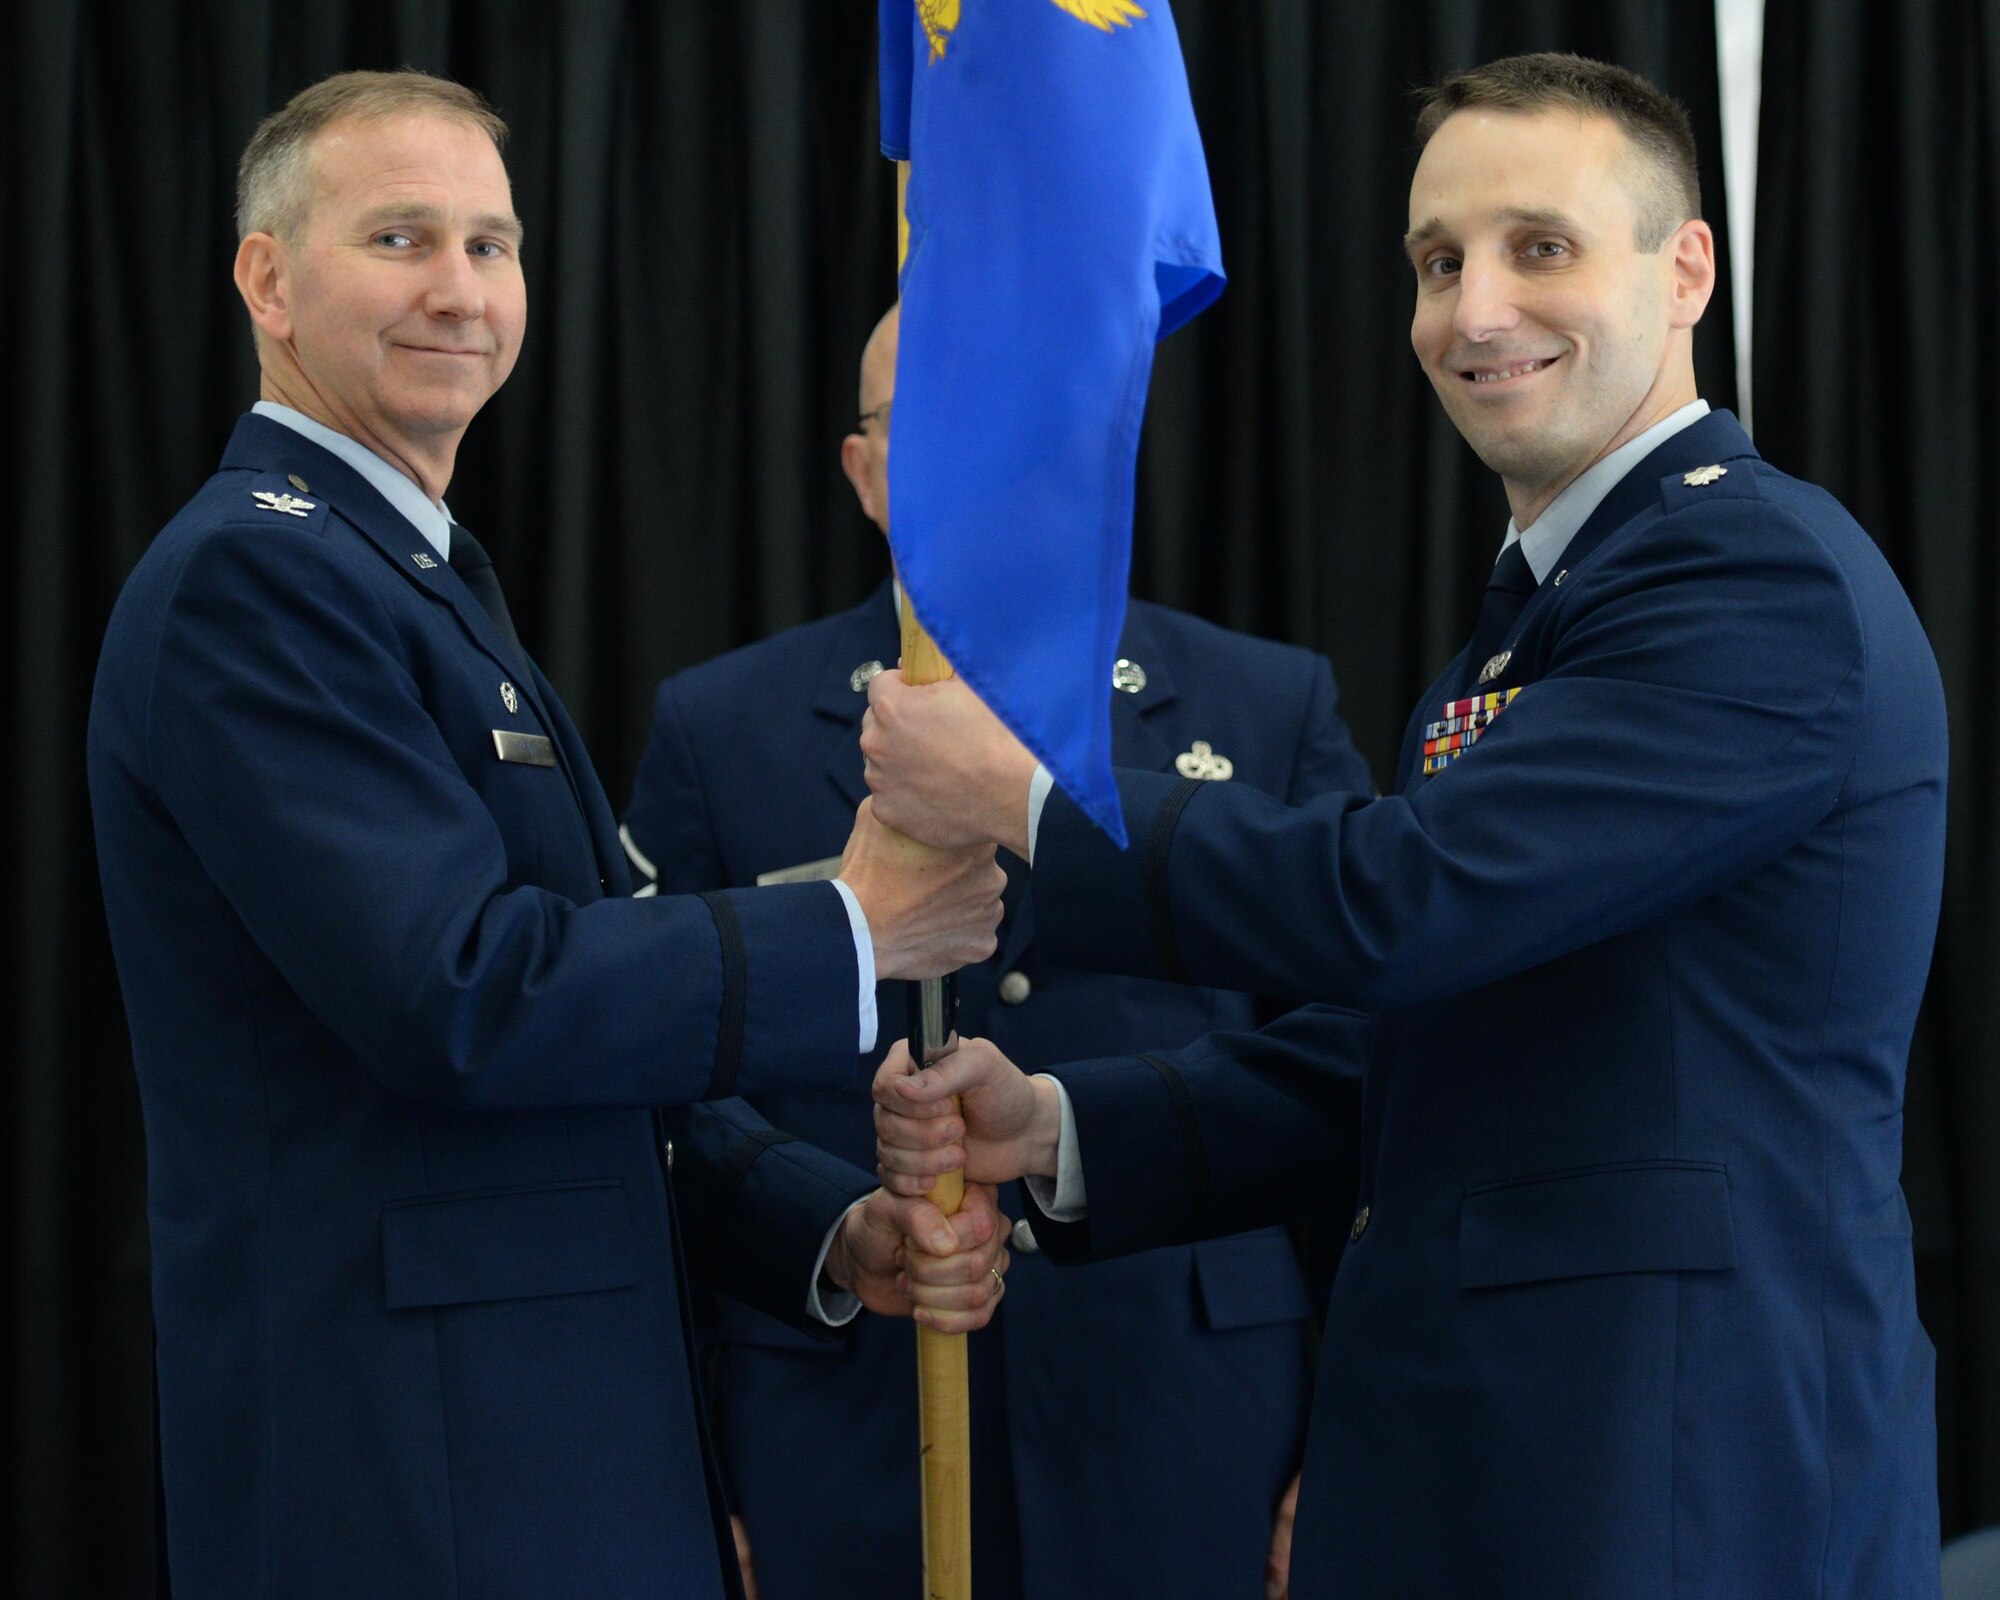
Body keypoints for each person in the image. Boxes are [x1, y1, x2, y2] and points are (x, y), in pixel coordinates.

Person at [865, 52, 1947, 1600]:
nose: (1474, 310)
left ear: (1687, 266)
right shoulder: (1545, 623)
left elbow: (1406, 902)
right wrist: (1063, 1130)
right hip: (1504, 1459)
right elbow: (1425, 1035)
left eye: (1540, 246)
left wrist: (1030, 801)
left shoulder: (1750, 584)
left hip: (1673, 1465)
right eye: (1439, 262)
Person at [86, 70, 1009, 1600]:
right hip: (413, 1476)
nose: (459, 288)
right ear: (267, 278)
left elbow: (596, 1082)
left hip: (544, 1454)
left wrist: (824, 1230)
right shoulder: (257, 585)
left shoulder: (419, 577)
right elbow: (465, 996)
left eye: (492, 245)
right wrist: (853, 926)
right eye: (400, 238)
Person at [620, 300, 1376, 1600]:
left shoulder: (1265, 706)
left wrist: (1358, 1442)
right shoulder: (718, 729)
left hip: (1196, 1435)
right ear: (862, 473)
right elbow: (658, 1109)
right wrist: (685, 1467)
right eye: (928, 426)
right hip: (834, 1447)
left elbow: (1367, 1076)